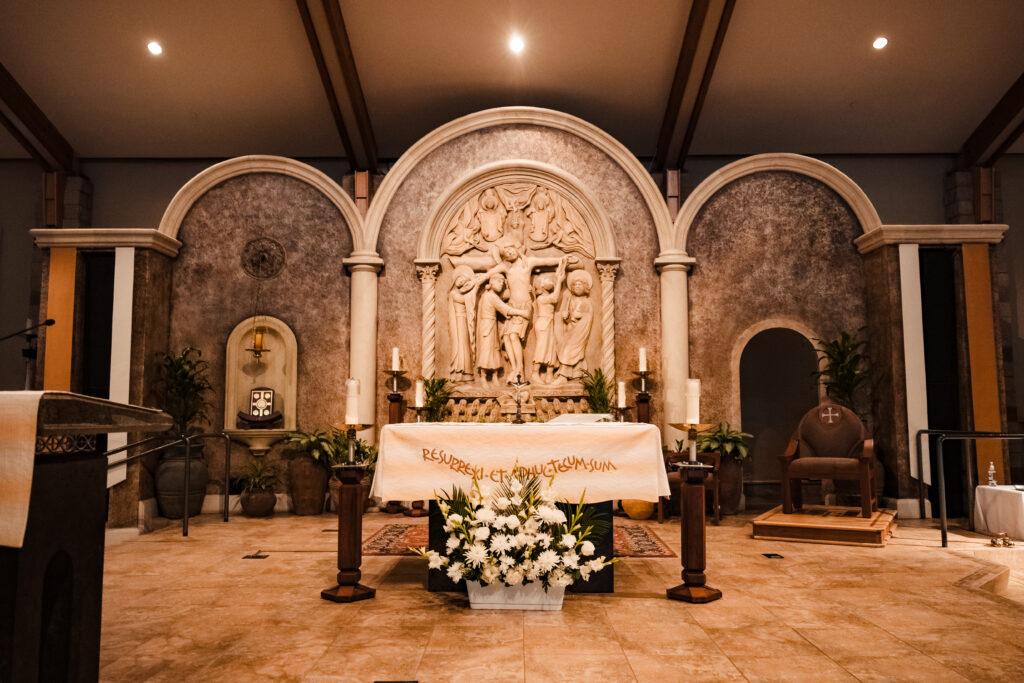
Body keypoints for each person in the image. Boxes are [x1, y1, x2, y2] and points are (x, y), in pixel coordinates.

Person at [476, 274, 527, 384]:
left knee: (495, 348)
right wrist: (522, 312)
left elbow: (503, 304)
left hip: (492, 324)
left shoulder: (491, 295)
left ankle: (494, 375)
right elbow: (505, 309)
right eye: (499, 281)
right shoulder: (490, 296)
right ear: (491, 282)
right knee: (487, 349)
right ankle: (484, 376)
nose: (501, 284)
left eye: (502, 283)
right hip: (487, 325)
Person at [531, 259, 567, 383]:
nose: (550, 281)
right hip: (543, 324)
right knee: (542, 347)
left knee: (552, 348)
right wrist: (560, 281)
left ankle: (549, 374)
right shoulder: (541, 298)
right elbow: (555, 297)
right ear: (540, 286)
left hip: (549, 323)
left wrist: (562, 266)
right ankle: (535, 373)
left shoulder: (546, 296)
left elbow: (556, 287)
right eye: (547, 280)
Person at [556, 269, 594, 381]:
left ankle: (563, 375)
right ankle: (578, 374)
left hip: (580, 331)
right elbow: (569, 318)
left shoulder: (587, 302)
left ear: (586, 287)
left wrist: (578, 317)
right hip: (570, 330)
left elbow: (587, 319)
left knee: (569, 349)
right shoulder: (571, 299)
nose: (577, 286)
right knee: (569, 349)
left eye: (580, 284)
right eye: (575, 285)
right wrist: (566, 317)